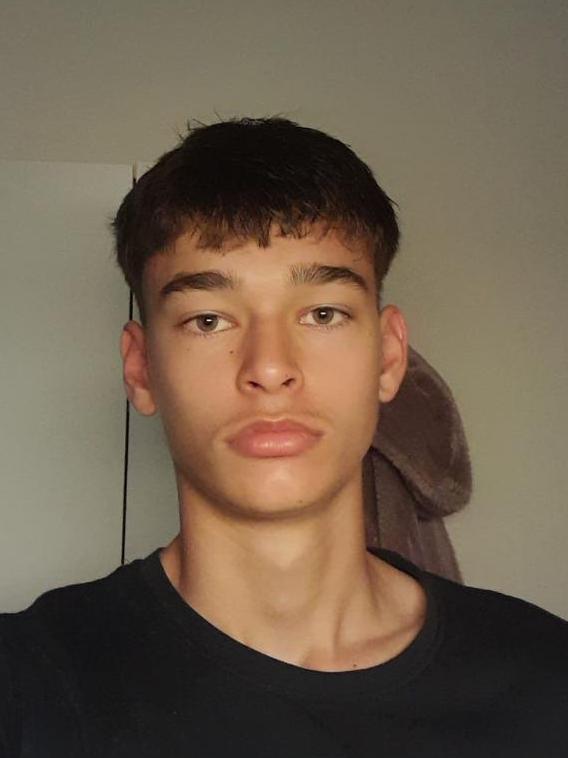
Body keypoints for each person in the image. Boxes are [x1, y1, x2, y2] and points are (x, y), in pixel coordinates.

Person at [1, 116, 567, 758]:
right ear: (141, 368)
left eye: (323, 313)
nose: (270, 368)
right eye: (208, 320)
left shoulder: (547, 679)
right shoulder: (26, 686)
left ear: (388, 357)